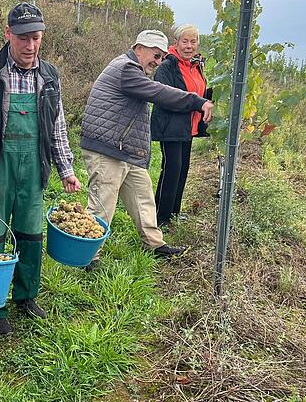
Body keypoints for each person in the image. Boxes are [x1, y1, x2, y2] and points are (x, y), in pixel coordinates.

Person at [0, 2, 81, 336]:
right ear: (8, 35)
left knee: (30, 234)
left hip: (34, 167)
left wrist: (66, 169)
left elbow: (56, 128)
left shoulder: (49, 76)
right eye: (23, 38)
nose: (30, 46)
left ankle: (26, 296)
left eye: (36, 38)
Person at [80, 29, 214, 269]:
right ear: (138, 48)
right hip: (107, 149)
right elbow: (159, 92)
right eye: (155, 54)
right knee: (103, 203)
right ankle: (88, 256)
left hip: (124, 149)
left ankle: (154, 243)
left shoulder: (133, 69)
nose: (158, 61)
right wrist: (197, 100)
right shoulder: (126, 70)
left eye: (162, 56)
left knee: (143, 195)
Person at [152, 24, 212, 227]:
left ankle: (174, 213)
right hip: (171, 127)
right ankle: (160, 216)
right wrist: (196, 102)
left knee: (183, 169)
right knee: (171, 169)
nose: (189, 46)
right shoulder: (168, 66)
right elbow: (165, 95)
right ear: (175, 43)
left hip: (189, 127)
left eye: (193, 41)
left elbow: (200, 91)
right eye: (184, 41)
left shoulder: (196, 66)